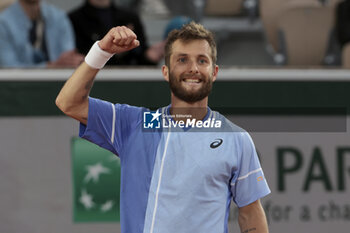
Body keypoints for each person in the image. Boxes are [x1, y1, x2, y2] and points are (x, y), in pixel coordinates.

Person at [56, 22, 270, 233]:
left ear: (214, 72)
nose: (193, 68)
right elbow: (69, 102)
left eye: (202, 60)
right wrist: (102, 52)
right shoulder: (134, 125)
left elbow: (250, 212)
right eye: (182, 59)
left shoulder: (236, 138)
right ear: (166, 71)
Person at [69, 0, 164, 66]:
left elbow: (141, 54)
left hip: (128, 79)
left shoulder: (130, 17)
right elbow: (77, 58)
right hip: (92, 79)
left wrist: (150, 56)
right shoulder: (74, 19)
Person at [0, 0, 83, 68]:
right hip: (18, 86)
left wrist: (73, 61)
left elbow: (68, 57)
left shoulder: (59, 17)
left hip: (59, 83)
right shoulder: (4, 23)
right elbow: (9, 67)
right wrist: (50, 66)